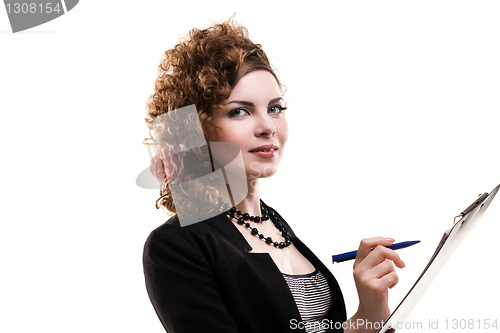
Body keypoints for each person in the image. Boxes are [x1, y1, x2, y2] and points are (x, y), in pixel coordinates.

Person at [142, 18, 405, 333]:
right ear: (196, 128)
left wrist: (370, 314)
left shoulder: (273, 222)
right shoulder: (176, 245)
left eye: (275, 108)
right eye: (239, 111)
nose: (267, 126)